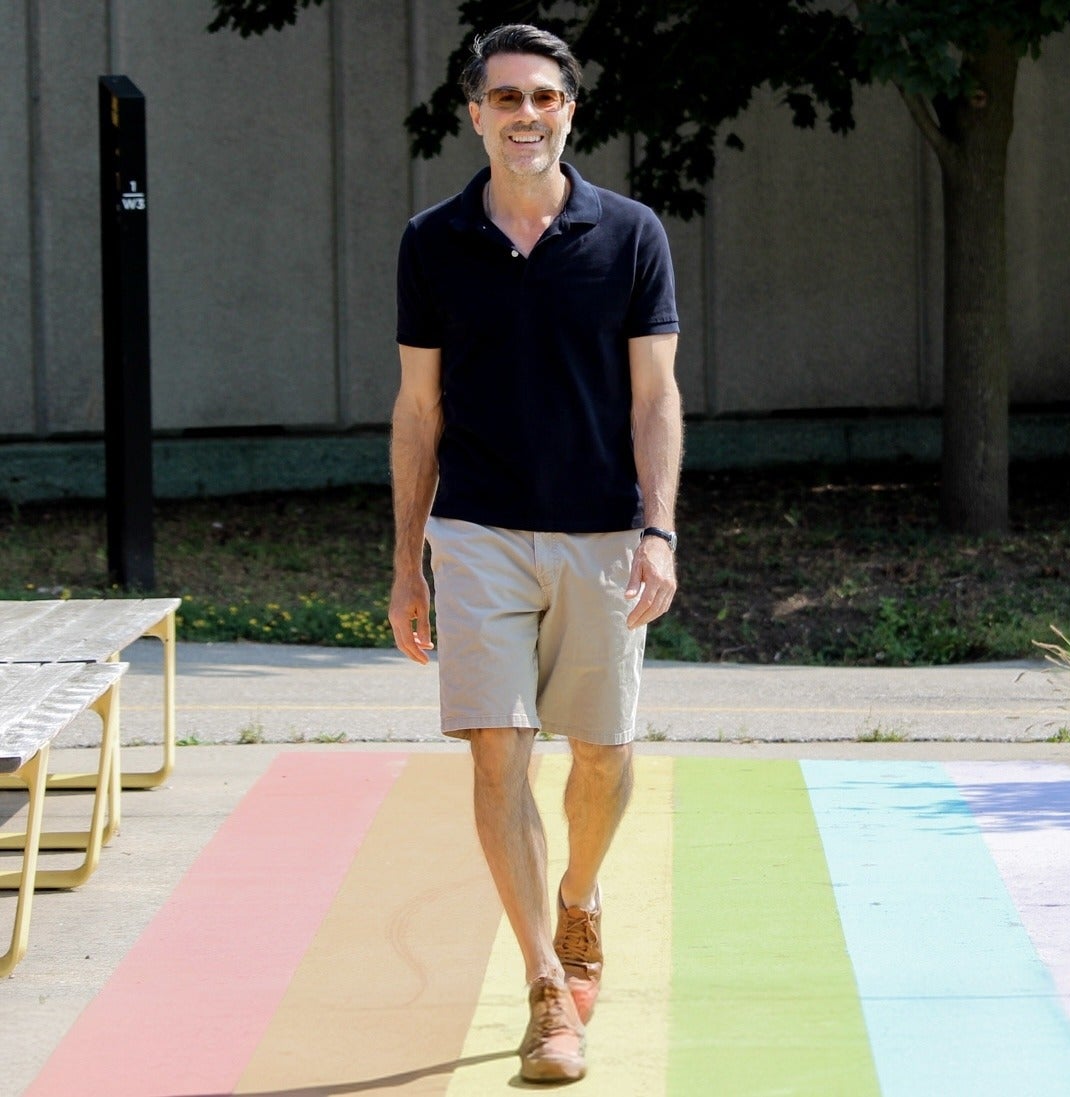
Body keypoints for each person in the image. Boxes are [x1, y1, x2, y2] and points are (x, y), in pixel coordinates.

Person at [388, 22, 682, 1084]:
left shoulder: (631, 233)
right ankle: (546, 990)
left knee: (599, 752)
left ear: (568, 109)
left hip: (604, 534)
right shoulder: (431, 242)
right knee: (495, 749)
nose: (524, 115)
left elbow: (655, 398)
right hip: (475, 534)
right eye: (503, 98)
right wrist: (404, 561)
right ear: (473, 114)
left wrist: (658, 528)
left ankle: (579, 895)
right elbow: (417, 412)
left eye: (542, 98)